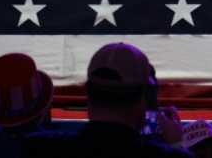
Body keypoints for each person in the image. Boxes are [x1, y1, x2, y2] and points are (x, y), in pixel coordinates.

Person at [24, 42, 188, 157]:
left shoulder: (39, 148)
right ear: (146, 97)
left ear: (88, 94)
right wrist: (177, 146)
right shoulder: (167, 155)